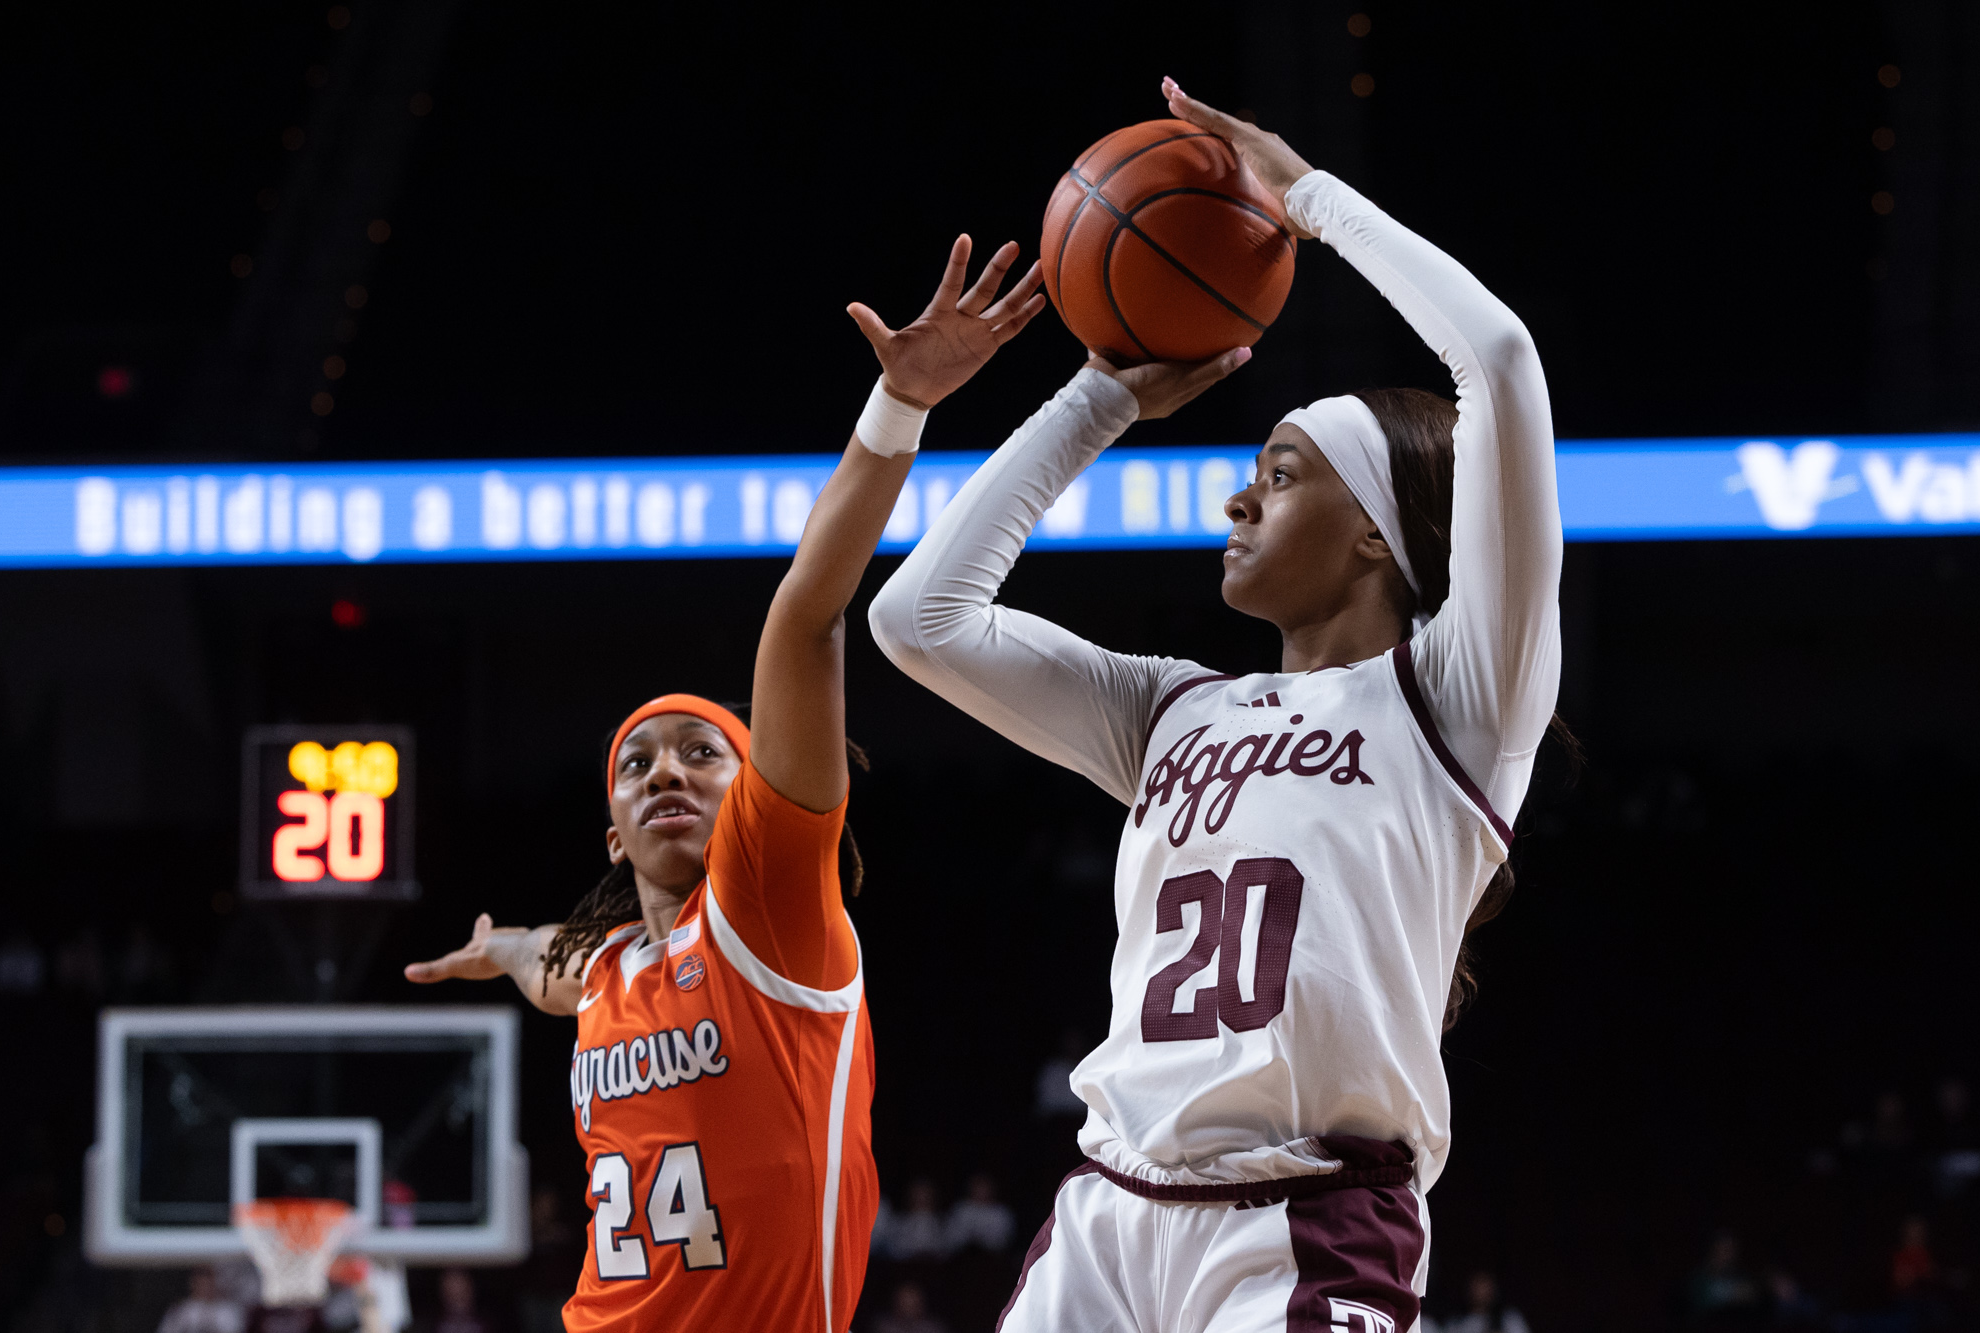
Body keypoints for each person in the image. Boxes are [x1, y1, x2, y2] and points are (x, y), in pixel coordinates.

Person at [868, 76, 1563, 1330]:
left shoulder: (1454, 699)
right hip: (1107, 1208)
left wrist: (1306, 199)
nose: (1237, 501)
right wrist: (1099, 398)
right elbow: (919, 621)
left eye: (1280, 475)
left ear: (1375, 537)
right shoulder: (1176, 712)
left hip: (1304, 1218)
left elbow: (1497, 358)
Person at [403, 234, 1044, 1332]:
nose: (665, 772)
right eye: (635, 763)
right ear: (610, 833)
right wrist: (500, 945)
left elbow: (804, 617)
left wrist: (897, 406)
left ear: (755, 795)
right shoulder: (604, 970)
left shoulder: (767, 907)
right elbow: (550, 968)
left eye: (702, 752)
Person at [158, 1268, 244, 1333]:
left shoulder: (228, 1310)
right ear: (192, 1284)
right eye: (200, 1283)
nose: (204, 1287)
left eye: (207, 1283)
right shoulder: (181, 1309)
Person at [1445, 1272, 1530, 1333]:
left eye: (1485, 1286)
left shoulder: (1509, 1319)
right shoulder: (1456, 1324)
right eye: (1477, 1285)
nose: (1481, 1292)